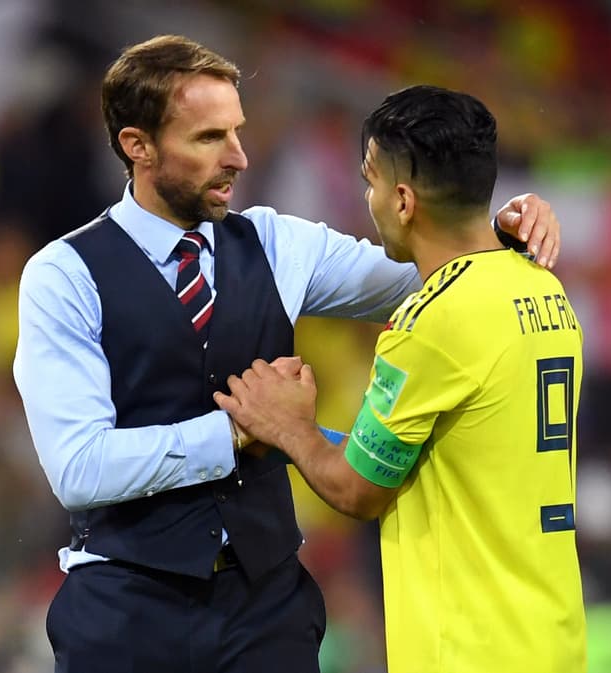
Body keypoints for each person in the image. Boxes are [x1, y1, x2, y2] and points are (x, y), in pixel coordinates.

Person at [12, 35, 563, 672]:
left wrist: (500, 226)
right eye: (208, 138)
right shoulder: (64, 275)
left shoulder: (277, 242)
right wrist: (240, 430)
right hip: (127, 609)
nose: (239, 157)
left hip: (266, 608)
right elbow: (78, 469)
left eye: (238, 131)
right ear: (137, 146)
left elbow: (434, 268)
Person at [214, 85, 585, 672]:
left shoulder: (432, 320)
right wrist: (290, 440)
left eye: (371, 181)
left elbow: (358, 491)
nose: (369, 198)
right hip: (552, 637)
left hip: (467, 649)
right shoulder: (544, 289)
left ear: (405, 200)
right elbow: (408, 463)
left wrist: (292, 429)